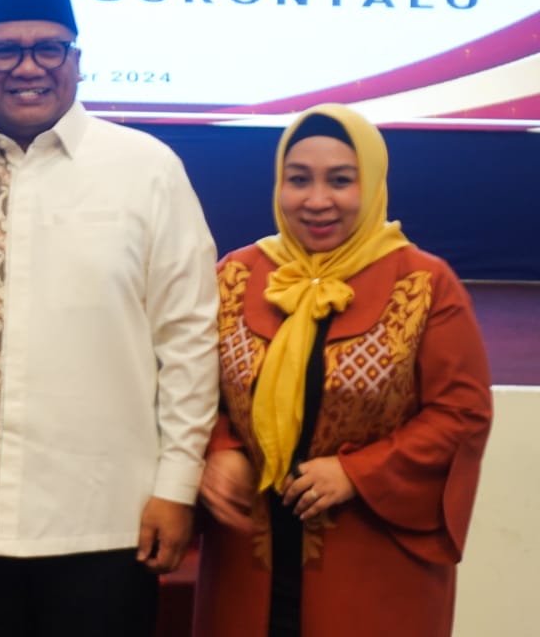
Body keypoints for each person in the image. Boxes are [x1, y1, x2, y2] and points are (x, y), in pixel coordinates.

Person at [0, 0, 221, 636]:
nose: (28, 66)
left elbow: (188, 342)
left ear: (78, 62)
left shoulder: (147, 170)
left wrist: (177, 488)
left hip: (110, 522)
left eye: (49, 48)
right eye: (5, 49)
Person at [192, 104, 494, 637]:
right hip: (248, 560)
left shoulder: (424, 283)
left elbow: (462, 413)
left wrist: (359, 472)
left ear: (372, 184)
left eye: (340, 181)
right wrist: (218, 449)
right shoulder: (236, 275)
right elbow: (191, 388)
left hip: (374, 563)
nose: (317, 200)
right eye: (298, 179)